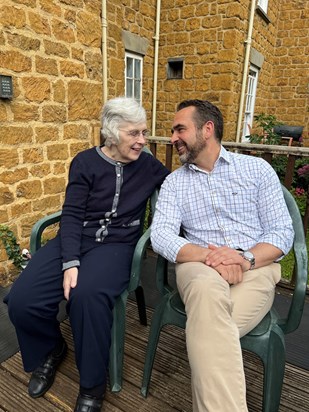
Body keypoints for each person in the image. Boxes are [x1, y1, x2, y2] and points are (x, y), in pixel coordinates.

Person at [4, 97, 169, 412]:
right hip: (76, 239)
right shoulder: (85, 162)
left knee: (87, 295)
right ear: (111, 133)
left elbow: (178, 185)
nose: (143, 141)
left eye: (144, 132)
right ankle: (51, 349)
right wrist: (70, 261)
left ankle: (92, 386)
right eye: (134, 133)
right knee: (22, 299)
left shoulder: (148, 165)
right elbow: (72, 213)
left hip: (118, 246)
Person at [150, 99, 294, 411]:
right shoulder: (174, 183)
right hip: (199, 267)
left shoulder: (256, 170)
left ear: (207, 129)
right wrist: (209, 257)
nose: (173, 137)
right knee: (205, 294)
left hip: (256, 266)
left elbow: (282, 232)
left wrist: (244, 259)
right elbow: (160, 234)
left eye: (179, 129)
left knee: (210, 329)